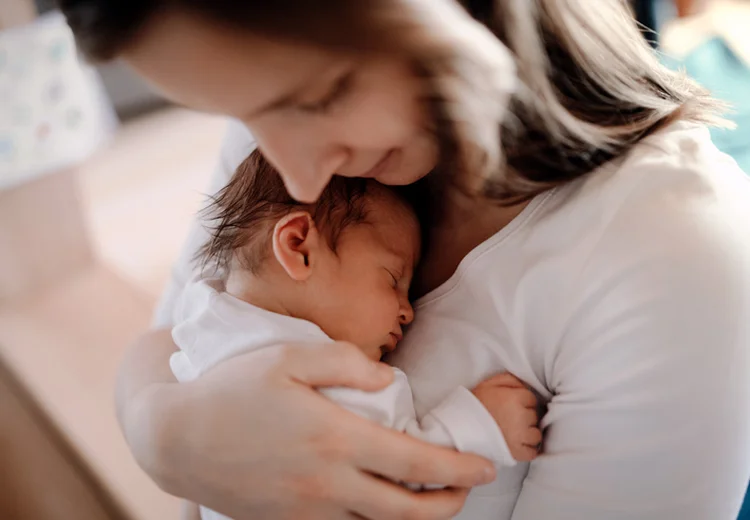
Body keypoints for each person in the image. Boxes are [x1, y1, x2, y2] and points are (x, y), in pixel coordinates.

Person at [59, 0, 750, 519]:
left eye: (318, 97)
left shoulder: (674, 258)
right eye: (241, 113)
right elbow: (173, 334)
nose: (296, 176)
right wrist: (164, 434)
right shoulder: (291, 147)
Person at [172, 149, 540, 520]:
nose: (407, 310)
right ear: (298, 247)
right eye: (394, 280)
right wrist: (476, 425)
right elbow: (387, 485)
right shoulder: (318, 370)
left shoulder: (205, 321)